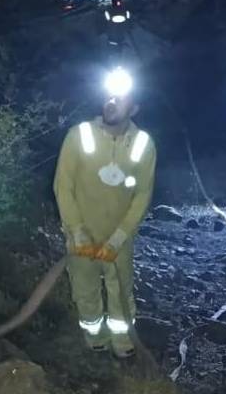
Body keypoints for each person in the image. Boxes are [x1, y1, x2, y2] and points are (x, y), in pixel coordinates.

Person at [52, 82, 157, 358]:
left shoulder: (143, 143)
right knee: (85, 289)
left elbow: (142, 195)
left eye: (120, 99)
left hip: (118, 239)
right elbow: (63, 187)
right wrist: (76, 230)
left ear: (134, 108)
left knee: (121, 290)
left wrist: (120, 237)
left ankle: (122, 343)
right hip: (81, 237)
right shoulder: (79, 135)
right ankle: (94, 337)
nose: (111, 102)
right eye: (109, 97)